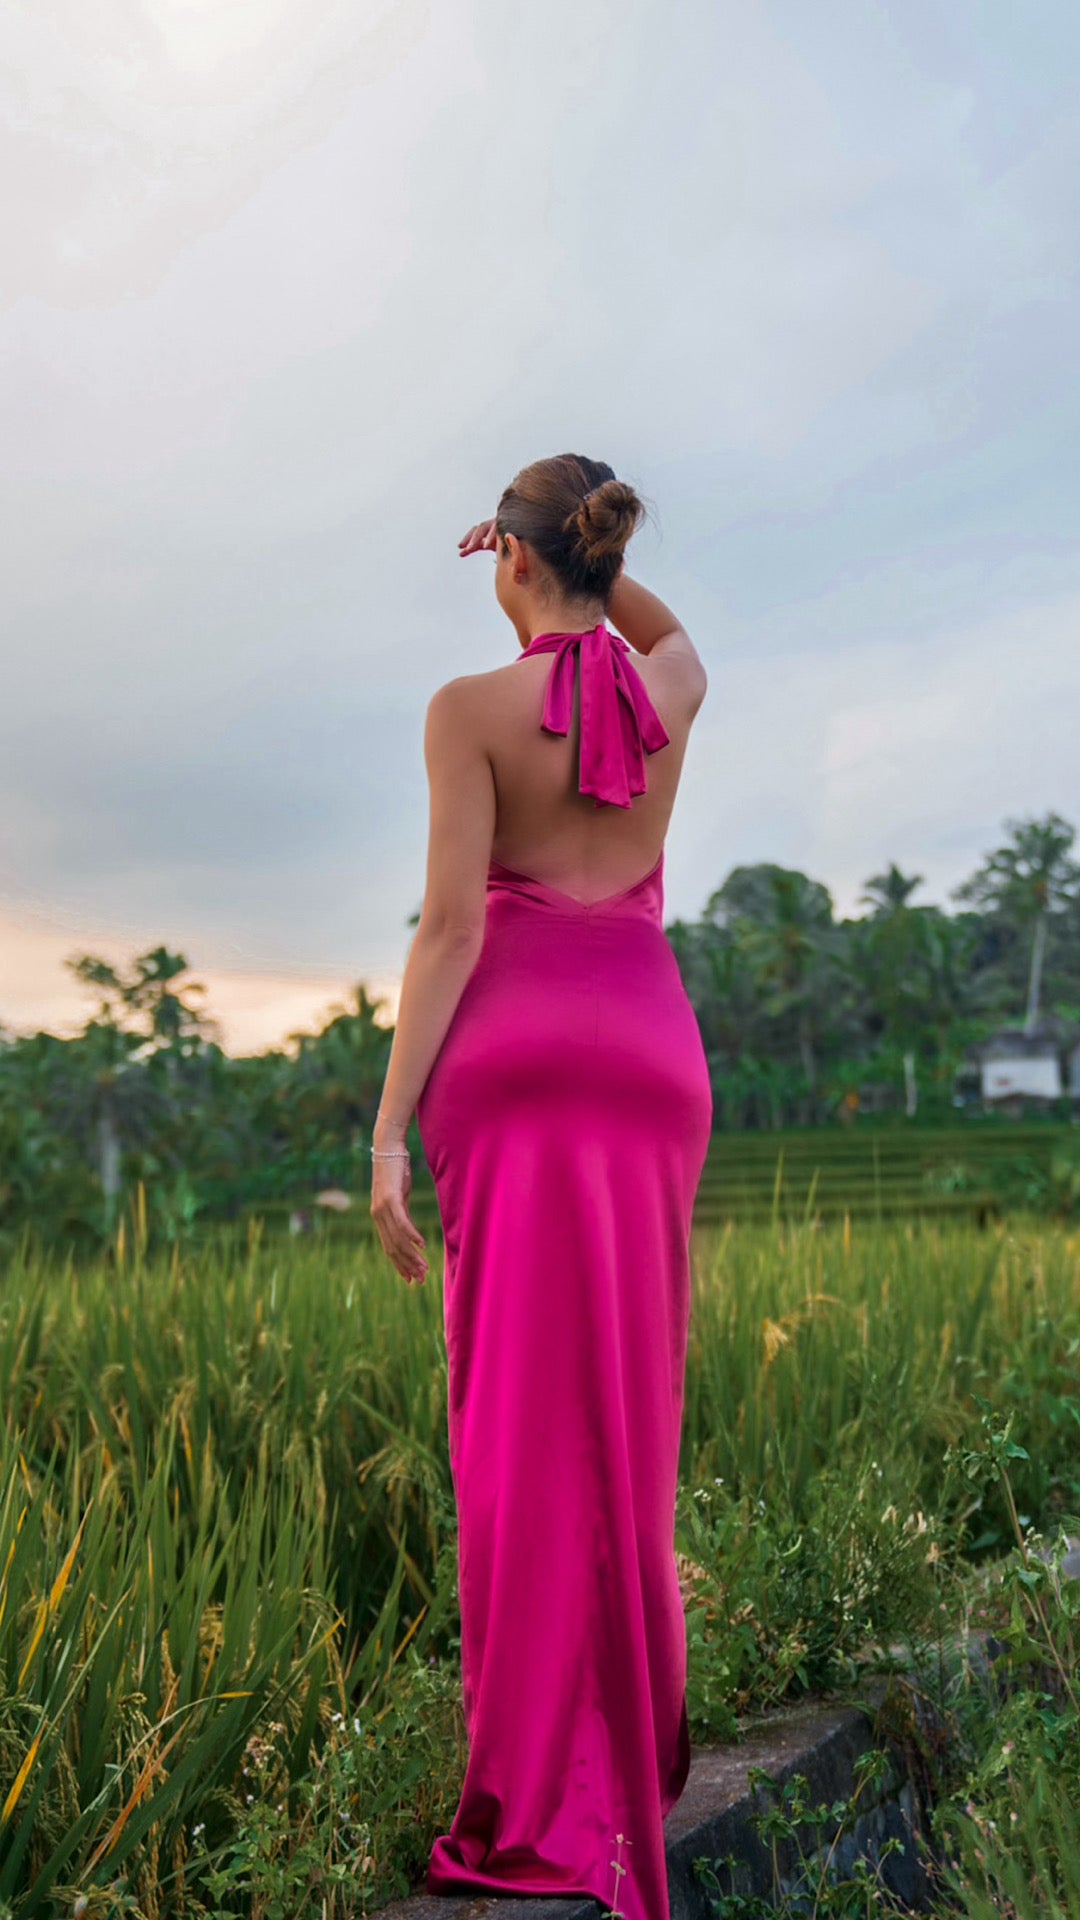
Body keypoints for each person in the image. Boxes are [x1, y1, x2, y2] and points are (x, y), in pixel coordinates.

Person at [370, 453, 712, 1920]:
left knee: (514, 1418)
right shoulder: (669, 692)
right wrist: (574, 567)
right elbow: (666, 635)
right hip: (648, 1053)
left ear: (507, 561)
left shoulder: (464, 712)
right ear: (595, 554)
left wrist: (386, 1132)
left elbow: (450, 929)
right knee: (630, 1406)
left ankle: (528, 1791)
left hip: (511, 1064)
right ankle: (636, 1743)